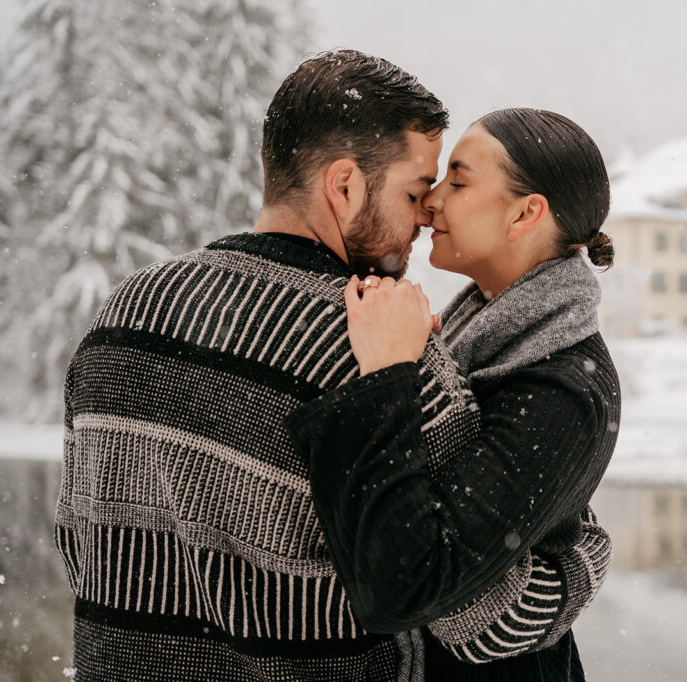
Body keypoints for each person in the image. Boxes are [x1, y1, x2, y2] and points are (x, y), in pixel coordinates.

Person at [54, 51, 609, 682]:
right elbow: (482, 615)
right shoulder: (374, 349)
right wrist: (580, 547)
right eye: (414, 189)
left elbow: (78, 543)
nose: (426, 211)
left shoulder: (125, 311)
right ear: (344, 186)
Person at [286, 108, 620, 681]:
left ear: (525, 213)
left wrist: (390, 374)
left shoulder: (566, 386)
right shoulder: (477, 341)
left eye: (458, 182)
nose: (430, 200)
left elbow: (418, 580)